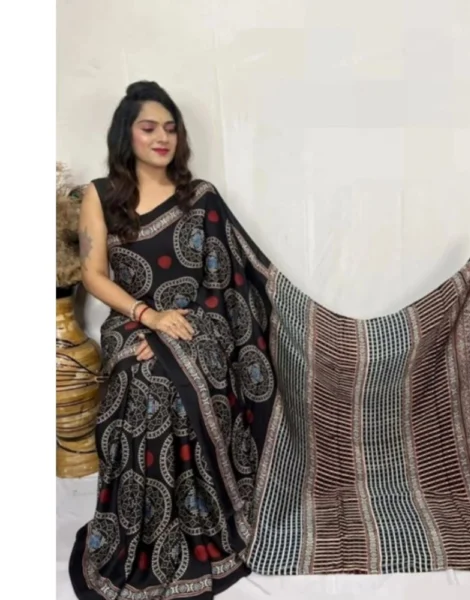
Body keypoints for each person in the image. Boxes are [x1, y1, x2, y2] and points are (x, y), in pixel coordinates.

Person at [69, 81, 276, 599]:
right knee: (141, 380)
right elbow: (93, 274)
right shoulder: (100, 195)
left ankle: (204, 522)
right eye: (149, 128)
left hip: (197, 321)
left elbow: (225, 282)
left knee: (173, 381)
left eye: (170, 128)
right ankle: (138, 532)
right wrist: (148, 318)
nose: (162, 137)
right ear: (127, 134)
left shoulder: (199, 196)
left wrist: (177, 328)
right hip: (131, 319)